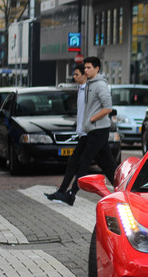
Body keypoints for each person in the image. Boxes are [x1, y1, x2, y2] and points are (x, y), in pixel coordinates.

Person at [45, 57, 116, 206]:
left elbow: (108, 108)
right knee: (107, 165)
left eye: (89, 67)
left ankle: (71, 194)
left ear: (97, 69)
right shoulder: (89, 84)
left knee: (84, 162)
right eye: (86, 68)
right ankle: (122, 190)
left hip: (98, 129)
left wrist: (91, 119)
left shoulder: (100, 85)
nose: (86, 70)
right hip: (92, 130)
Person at [45, 64, 88, 203]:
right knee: (75, 162)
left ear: (84, 75)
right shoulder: (80, 89)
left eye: (76, 74)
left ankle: (70, 193)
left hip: (91, 133)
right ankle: (64, 192)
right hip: (84, 133)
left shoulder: (90, 90)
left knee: (84, 164)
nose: (74, 77)